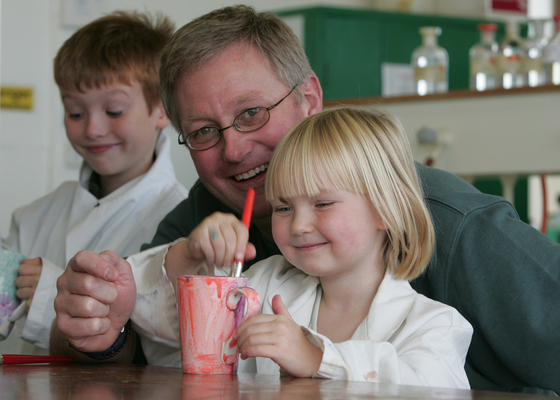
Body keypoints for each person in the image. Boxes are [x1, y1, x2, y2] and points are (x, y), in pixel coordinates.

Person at [51, 5, 559, 395]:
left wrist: (318, 358)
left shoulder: (454, 224)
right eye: (203, 130)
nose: (233, 148)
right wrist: (104, 320)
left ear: (309, 100)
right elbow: (153, 330)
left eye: (251, 112)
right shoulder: (208, 218)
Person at [128, 107, 473, 387]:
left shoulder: (435, 325)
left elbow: (430, 387)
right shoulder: (260, 286)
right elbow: (165, 325)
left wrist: (316, 359)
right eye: (283, 207)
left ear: (385, 210)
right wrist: (192, 255)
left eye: (323, 204)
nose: (299, 225)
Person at [0, 10, 188, 356]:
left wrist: (47, 295)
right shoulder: (36, 215)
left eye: (114, 110)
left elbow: (146, 351)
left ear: (163, 108)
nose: (92, 129)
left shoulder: (177, 223)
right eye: (75, 112)